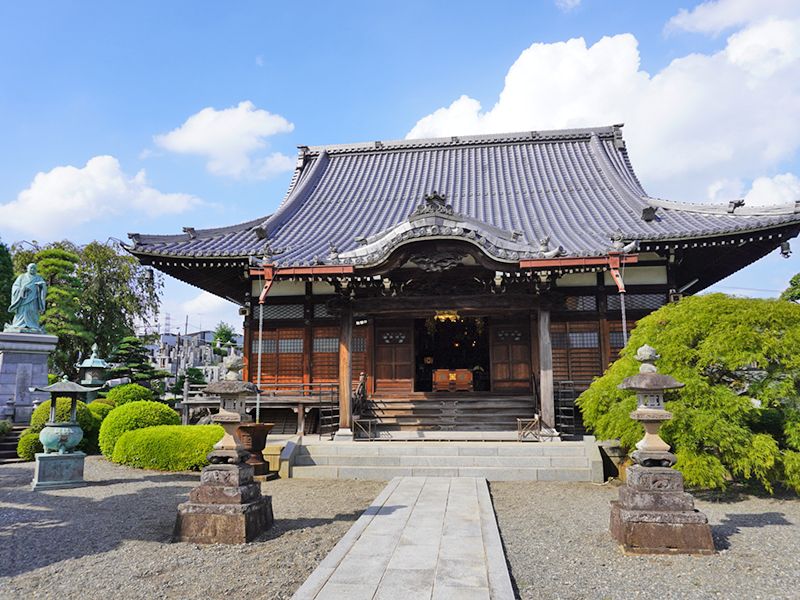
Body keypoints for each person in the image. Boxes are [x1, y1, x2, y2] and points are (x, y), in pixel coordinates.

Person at [5, 263, 47, 333]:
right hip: (22, 300)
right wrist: (22, 290)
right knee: (21, 312)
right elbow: (15, 287)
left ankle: (33, 325)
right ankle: (19, 324)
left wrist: (41, 286)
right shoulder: (21, 277)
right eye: (31, 268)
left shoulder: (38, 278)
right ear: (27, 269)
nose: (33, 269)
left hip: (34, 300)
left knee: (32, 312)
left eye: (34, 268)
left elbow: (43, 288)